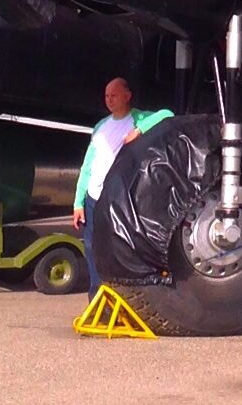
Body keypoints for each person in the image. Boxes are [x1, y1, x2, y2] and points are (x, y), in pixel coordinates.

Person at [70, 78, 172, 296]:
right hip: (93, 197)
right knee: (91, 248)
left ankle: (124, 299)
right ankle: (98, 299)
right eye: (106, 96)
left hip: (118, 199)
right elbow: (87, 166)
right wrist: (78, 202)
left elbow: (167, 114)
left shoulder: (138, 118)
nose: (109, 100)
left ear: (127, 96)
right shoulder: (101, 126)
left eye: (113, 95)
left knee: (120, 250)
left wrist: (141, 130)